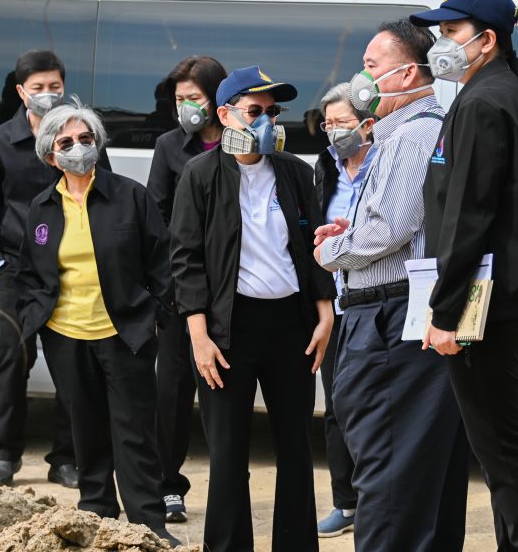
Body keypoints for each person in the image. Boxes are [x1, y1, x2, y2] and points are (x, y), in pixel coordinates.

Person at [411, 0, 518, 551]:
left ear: (487, 38)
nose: (440, 42)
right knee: (517, 443)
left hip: (488, 302)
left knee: (504, 453)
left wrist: (446, 311)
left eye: (450, 31)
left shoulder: (480, 102)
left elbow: (468, 213)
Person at [315, 20, 469, 552]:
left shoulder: (415, 131)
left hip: (388, 321)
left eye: (371, 66)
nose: (361, 77)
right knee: (411, 471)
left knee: (388, 474)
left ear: (407, 73)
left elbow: (393, 228)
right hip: (387, 314)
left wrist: (331, 252)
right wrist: (349, 232)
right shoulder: (397, 133)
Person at [170, 66, 335, 552]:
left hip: (291, 327)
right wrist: (199, 337)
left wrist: (324, 312)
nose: (266, 121)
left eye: (272, 112)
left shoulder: (295, 173)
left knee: (296, 448)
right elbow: (186, 260)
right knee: (227, 454)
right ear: (224, 115)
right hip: (227, 331)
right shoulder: (200, 176)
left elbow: (313, 246)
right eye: (254, 111)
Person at [16, 104, 181, 547]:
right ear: (50, 156)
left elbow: (160, 262)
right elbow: (32, 271)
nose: (77, 148)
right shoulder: (42, 208)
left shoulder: (130, 196)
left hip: (124, 334)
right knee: (84, 430)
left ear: (98, 142)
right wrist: (36, 317)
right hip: (66, 336)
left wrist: (155, 317)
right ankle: (96, 512)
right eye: (65, 143)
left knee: (134, 432)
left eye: (85, 139)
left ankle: (148, 522)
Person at [0, 49, 105, 488]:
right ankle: (8, 454)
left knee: (70, 362)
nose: (48, 96)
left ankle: (64, 458)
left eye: (55, 87)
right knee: (12, 358)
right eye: (38, 89)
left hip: (65, 269)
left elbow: (101, 195)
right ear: (20, 92)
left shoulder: (81, 140)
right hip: (11, 269)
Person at [148, 55, 226, 523]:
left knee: (221, 390)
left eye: (194, 98)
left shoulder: (242, 143)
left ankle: (227, 483)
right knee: (172, 392)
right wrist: (168, 285)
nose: (186, 108)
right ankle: (168, 486)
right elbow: (156, 218)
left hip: (232, 291)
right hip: (181, 290)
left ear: (217, 98)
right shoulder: (168, 146)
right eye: (179, 100)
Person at [312, 82, 377, 538]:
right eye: (328, 124)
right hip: (336, 307)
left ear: (367, 124)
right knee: (337, 407)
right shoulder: (324, 169)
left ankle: (376, 500)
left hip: (376, 302)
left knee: (375, 407)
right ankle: (345, 501)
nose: (335, 132)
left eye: (343, 123)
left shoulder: (384, 164)